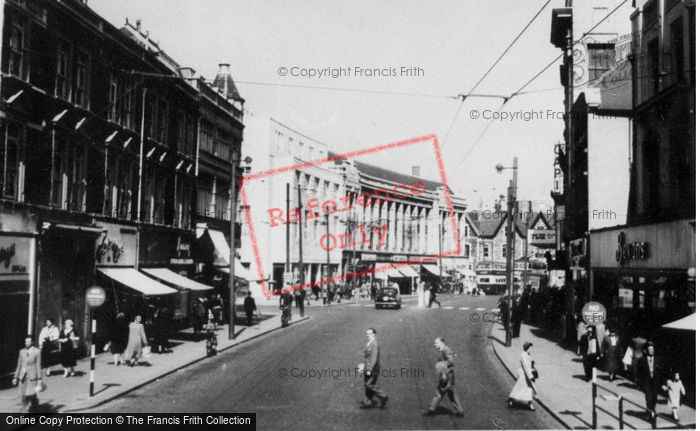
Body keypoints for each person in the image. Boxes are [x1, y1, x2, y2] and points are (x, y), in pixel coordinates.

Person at [12, 336, 42, 413]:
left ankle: (33, 403)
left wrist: (39, 378)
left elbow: (38, 365)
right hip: (22, 375)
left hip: (32, 376)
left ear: (32, 342)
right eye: (25, 342)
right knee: (22, 395)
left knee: (29, 394)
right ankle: (25, 411)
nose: (26, 343)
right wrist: (15, 377)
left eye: (28, 342)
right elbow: (19, 365)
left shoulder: (37, 351)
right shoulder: (21, 351)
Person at [361, 328, 388, 408]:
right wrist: (363, 366)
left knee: (368, 384)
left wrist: (369, 369)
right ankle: (368, 402)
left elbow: (374, 358)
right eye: (367, 333)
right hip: (368, 367)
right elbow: (367, 357)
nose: (367, 335)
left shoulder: (374, 344)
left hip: (372, 369)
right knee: (369, 384)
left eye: (369, 333)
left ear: (374, 334)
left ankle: (383, 396)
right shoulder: (370, 343)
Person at [636, 341, 663, 418]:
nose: (652, 350)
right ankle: (649, 413)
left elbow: (661, 372)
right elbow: (638, 373)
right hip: (646, 382)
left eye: (653, 349)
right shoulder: (642, 360)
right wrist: (638, 383)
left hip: (655, 382)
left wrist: (662, 383)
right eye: (650, 349)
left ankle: (652, 410)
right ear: (646, 350)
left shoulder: (658, 359)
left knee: (654, 398)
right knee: (649, 398)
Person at [508, 342, 537, 410]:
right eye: (530, 348)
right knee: (519, 388)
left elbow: (529, 366)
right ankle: (511, 400)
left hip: (527, 375)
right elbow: (525, 366)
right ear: (527, 348)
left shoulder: (528, 355)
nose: (531, 349)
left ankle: (529, 404)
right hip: (523, 375)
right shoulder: (523, 355)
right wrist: (531, 376)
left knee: (529, 389)